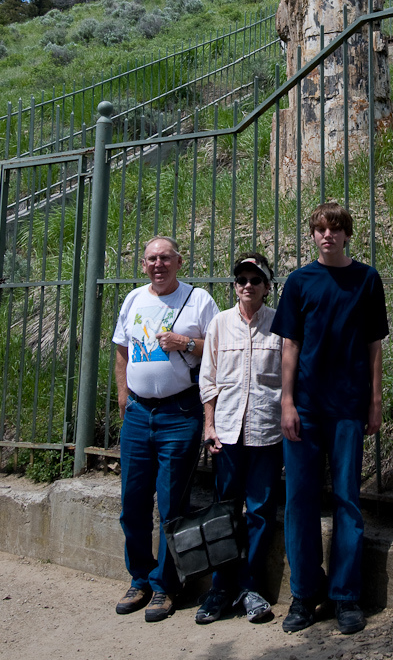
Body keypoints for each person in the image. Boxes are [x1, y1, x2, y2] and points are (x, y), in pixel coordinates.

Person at [271, 202, 389, 636]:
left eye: (335, 229)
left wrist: (375, 401)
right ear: (313, 235)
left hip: (348, 406)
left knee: (347, 500)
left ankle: (345, 595)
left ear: (347, 234)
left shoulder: (367, 279)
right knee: (300, 501)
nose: (328, 235)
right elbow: (289, 346)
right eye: (321, 229)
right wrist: (287, 402)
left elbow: (374, 345)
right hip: (305, 407)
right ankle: (304, 594)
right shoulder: (299, 282)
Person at [113, 236, 220, 622]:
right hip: (139, 414)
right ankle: (140, 578)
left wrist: (185, 343)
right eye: (151, 259)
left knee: (172, 504)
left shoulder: (198, 299)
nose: (158, 264)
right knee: (133, 503)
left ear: (179, 262)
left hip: (180, 412)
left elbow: (218, 349)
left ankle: (166, 585)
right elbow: (122, 351)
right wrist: (123, 395)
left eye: (165, 258)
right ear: (143, 265)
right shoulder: (133, 299)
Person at [195, 252, 283, 625]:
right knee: (225, 511)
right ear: (235, 286)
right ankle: (220, 589)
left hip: (267, 432)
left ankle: (250, 588)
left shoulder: (280, 324)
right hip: (227, 433)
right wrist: (209, 424)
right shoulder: (219, 324)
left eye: (255, 279)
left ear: (267, 286)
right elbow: (208, 378)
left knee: (260, 511)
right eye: (242, 279)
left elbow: (288, 377)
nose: (248, 285)